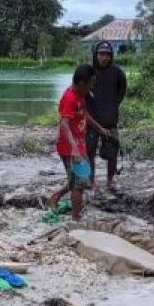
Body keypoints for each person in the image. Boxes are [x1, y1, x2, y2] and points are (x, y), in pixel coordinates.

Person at [51, 65, 107, 219]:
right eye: (91, 83)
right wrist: (74, 149)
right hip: (69, 147)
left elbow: (83, 114)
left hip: (78, 145)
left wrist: (99, 128)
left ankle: (57, 196)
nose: (92, 86)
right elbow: (64, 124)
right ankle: (76, 218)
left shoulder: (80, 94)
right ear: (82, 83)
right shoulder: (70, 98)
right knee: (79, 183)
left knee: (80, 179)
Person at [88, 41, 127, 194]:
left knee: (112, 152)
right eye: (101, 54)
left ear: (111, 56)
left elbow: (121, 91)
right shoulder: (89, 71)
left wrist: (112, 105)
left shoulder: (118, 73)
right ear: (96, 55)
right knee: (89, 152)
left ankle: (110, 182)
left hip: (110, 118)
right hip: (91, 119)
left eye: (107, 55)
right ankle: (91, 184)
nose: (104, 57)